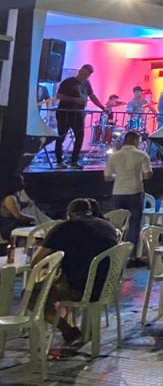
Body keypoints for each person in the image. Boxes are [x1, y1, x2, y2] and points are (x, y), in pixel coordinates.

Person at [31, 197, 118, 345]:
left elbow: (35, 262)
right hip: (109, 285)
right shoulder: (107, 226)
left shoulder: (63, 228)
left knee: (33, 295)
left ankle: (67, 330)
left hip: (81, 289)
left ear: (69, 214)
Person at [104, 129, 152, 263]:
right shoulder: (142, 155)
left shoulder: (114, 156)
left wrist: (120, 177)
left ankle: (115, 254)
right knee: (134, 224)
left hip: (118, 192)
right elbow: (148, 174)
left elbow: (107, 177)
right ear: (136, 140)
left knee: (117, 224)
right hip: (135, 191)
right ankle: (131, 256)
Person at [54, 64, 104, 169]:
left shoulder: (87, 83)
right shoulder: (68, 82)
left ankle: (74, 161)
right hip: (65, 113)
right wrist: (74, 99)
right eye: (84, 74)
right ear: (80, 71)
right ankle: (59, 161)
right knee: (61, 136)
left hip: (78, 114)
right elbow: (59, 96)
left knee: (80, 136)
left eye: (88, 75)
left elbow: (92, 96)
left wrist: (102, 107)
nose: (85, 76)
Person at [0, 175, 35, 242]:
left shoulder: (15, 197)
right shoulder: (9, 198)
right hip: (9, 228)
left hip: (14, 226)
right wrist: (32, 218)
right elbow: (18, 216)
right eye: (21, 181)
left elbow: (18, 205)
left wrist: (27, 203)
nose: (23, 183)